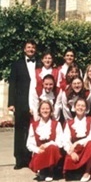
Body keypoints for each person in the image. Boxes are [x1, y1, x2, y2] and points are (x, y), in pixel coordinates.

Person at [8, 39, 41, 169]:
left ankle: (30, 158)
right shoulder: (17, 64)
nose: (31, 49)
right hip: (21, 103)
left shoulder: (39, 63)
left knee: (32, 130)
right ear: (24, 49)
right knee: (20, 131)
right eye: (28, 47)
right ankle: (19, 159)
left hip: (35, 103)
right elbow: (12, 84)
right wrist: (11, 103)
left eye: (33, 47)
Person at [27, 100, 63, 182]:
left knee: (52, 147)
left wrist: (47, 145)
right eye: (43, 109)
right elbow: (29, 144)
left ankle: (50, 171)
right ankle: (42, 169)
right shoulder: (34, 125)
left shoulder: (57, 124)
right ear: (39, 110)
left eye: (47, 108)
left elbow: (60, 142)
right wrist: (38, 150)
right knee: (44, 151)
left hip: (53, 154)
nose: (45, 110)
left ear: (51, 111)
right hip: (40, 153)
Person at [63, 98, 91, 182]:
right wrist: (71, 152)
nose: (80, 108)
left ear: (86, 108)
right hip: (75, 150)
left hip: (86, 148)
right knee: (69, 175)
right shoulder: (69, 122)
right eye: (78, 105)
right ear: (74, 107)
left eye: (83, 106)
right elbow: (65, 140)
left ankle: (87, 172)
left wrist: (77, 142)